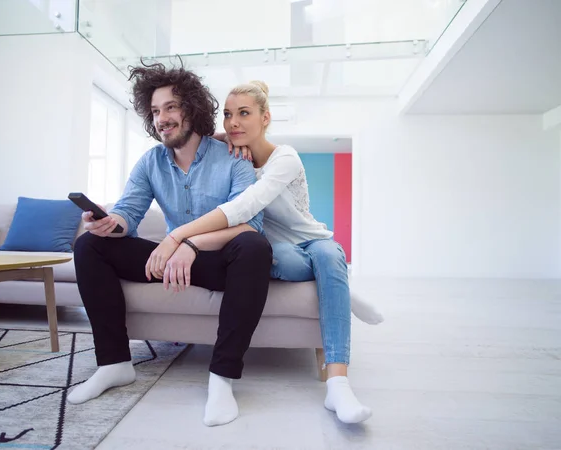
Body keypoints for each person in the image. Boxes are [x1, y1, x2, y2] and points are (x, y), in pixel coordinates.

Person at [148, 80, 382, 424]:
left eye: (244, 114)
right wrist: (220, 137)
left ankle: (338, 385)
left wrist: (178, 237)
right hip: (276, 249)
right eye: (228, 115)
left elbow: (244, 206)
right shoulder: (232, 153)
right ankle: (339, 287)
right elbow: (200, 137)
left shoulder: (284, 158)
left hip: (311, 241)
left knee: (329, 256)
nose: (234, 122)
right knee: (259, 256)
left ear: (266, 118)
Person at [67, 62, 274, 428]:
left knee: (255, 249)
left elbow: (249, 225)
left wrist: (187, 243)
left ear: (192, 108)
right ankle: (114, 364)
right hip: (171, 260)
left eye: (171, 107)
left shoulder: (233, 158)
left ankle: (222, 378)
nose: (162, 118)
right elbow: (128, 213)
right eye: (156, 111)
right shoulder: (151, 162)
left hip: (217, 262)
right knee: (89, 246)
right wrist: (108, 223)